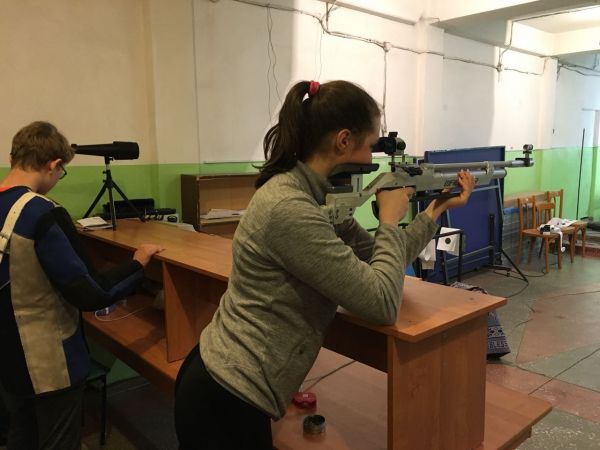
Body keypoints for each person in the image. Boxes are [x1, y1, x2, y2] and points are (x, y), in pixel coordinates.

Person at [174, 80, 475, 449]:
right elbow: (381, 303)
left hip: (231, 387)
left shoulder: (310, 198)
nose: (371, 158)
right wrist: (388, 221)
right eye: (370, 145)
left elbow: (380, 258)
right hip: (227, 399)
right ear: (343, 141)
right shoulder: (291, 209)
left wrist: (434, 211)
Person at [0, 121, 163, 449]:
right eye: (62, 172)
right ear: (53, 165)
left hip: (9, 359)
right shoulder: (42, 213)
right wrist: (137, 264)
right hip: (49, 365)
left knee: (22, 436)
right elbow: (93, 293)